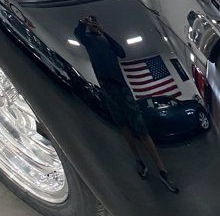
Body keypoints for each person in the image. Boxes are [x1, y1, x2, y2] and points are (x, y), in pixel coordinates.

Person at [74, 15, 179, 193]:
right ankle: (138, 160)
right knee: (123, 125)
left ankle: (162, 170)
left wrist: (104, 32)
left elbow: (121, 52)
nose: (93, 24)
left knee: (141, 129)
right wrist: (82, 23)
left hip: (122, 87)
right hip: (107, 88)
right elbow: (78, 34)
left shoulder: (104, 39)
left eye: (94, 21)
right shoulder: (87, 39)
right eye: (90, 22)